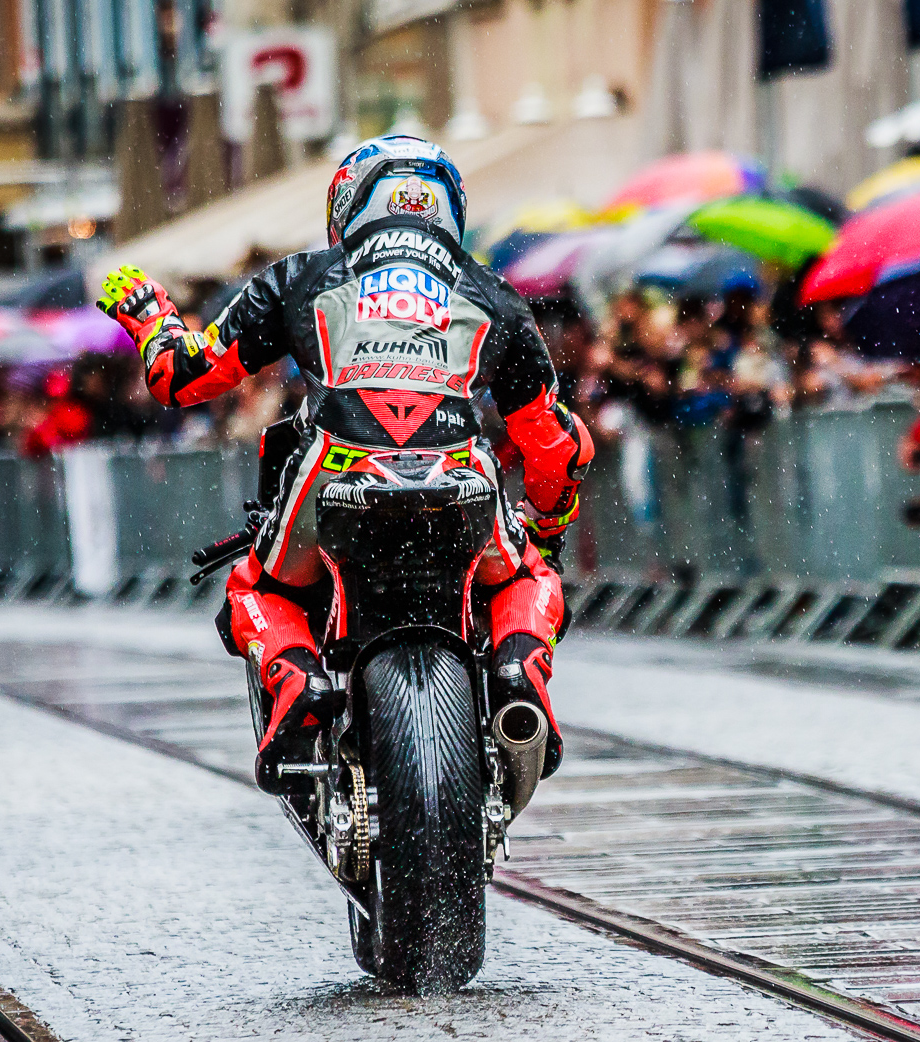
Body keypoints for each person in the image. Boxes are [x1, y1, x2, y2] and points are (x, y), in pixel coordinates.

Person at [97, 135, 592, 792]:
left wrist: (149, 315)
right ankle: (519, 668)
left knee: (258, 588)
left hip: (336, 466)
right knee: (527, 578)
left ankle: (297, 680)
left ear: (348, 203)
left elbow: (182, 378)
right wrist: (551, 527)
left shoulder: (300, 276)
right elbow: (559, 444)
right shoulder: (495, 294)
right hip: (460, 469)